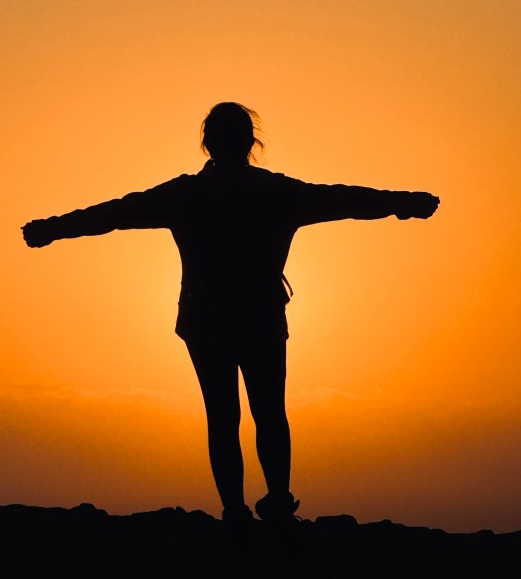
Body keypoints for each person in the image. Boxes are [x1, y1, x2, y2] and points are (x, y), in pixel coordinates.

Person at [22, 102, 439, 527]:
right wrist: (404, 203)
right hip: (260, 318)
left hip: (206, 320)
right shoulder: (277, 193)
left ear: (207, 143)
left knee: (223, 416)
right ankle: (277, 504)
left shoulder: (185, 195)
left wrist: (52, 228)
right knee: (269, 412)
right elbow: (346, 199)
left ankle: (236, 512)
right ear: (251, 142)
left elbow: (114, 213)